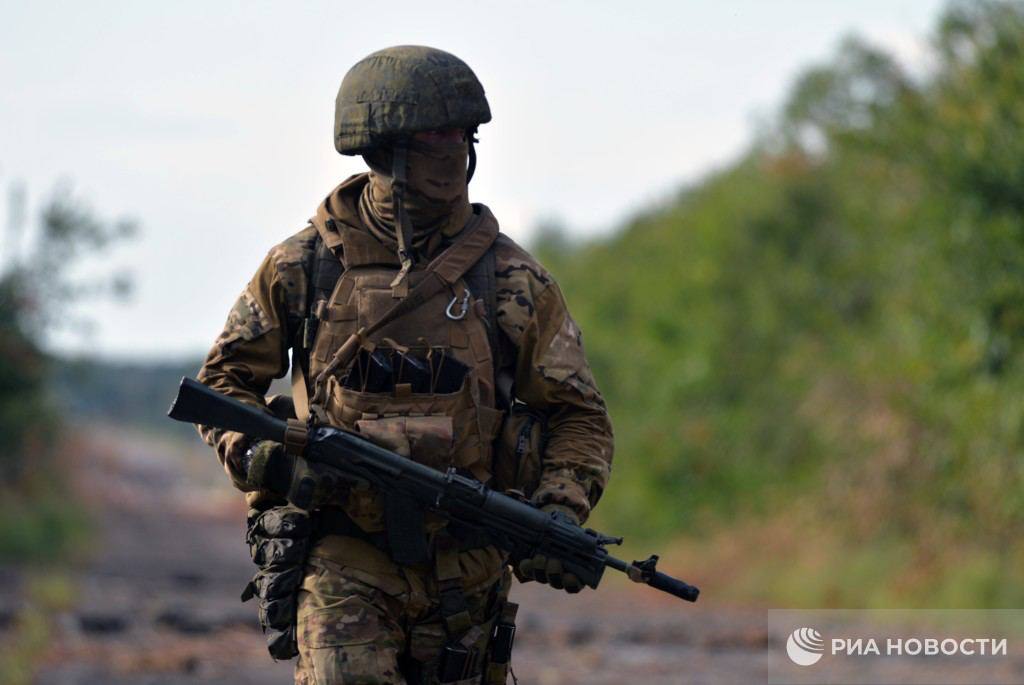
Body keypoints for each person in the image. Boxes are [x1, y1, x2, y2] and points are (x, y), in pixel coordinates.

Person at [196, 45, 614, 684]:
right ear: (382, 148)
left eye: (461, 135)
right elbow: (223, 385)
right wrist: (270, 459)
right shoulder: (304, 266)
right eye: (432, 136)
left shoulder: (511, 278)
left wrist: (557, 511)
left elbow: (577, 413)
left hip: (469, 564)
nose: (452, 150)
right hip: (344, 556)